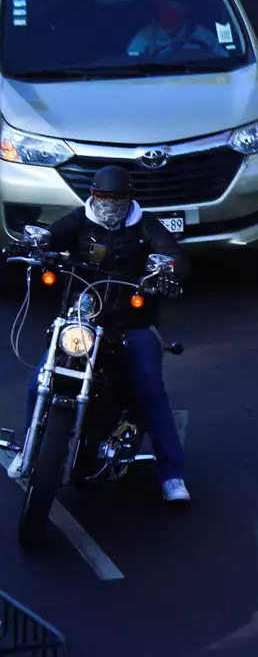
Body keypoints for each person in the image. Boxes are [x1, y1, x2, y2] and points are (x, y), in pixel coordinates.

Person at [5, 166, 192, 503]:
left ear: (129, 199)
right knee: (40, 381)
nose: (110, 204)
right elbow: (50, 236)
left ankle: (172, 474)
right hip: (82, 320)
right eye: (104, 197)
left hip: (131, 324)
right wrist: (34, 247)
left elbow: (175, 256)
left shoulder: (144, 225)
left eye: (117, 198)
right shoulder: (79, 220)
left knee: (150, 388)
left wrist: (168, 271)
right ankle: (31, 447)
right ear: (93, 195)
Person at [127, 0, 224, 58]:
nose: (168, 13)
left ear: (185, 9)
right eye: (164, 8)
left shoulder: (202, 34)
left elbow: (223, 58)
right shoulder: (144, 38)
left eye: (173, 8)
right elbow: (132, 61)